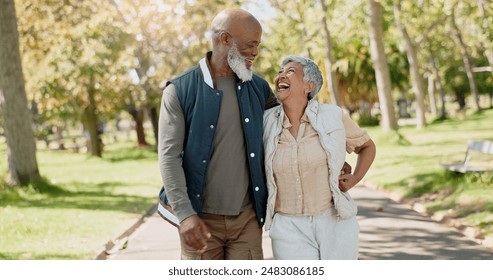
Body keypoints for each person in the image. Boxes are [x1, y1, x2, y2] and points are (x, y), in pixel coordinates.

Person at [157, 8, 278, 260]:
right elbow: (169, 157)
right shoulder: (180, 90)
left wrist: (328, 154)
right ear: (225, 39)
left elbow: (290, 127)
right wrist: (185, 215)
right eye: (250, 44)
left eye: (258, 45)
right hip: (199, 219)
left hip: (247, 219)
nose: (255, 52)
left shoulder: (259, 88)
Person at [263, 56, 376, 260]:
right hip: (288, 226)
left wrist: (355, 177)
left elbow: (367, 146)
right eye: (280, 71)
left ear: (309, 85)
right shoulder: (266, 121)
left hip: (333, 220)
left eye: (290, 71)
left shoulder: (333, 116)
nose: (281, 75)